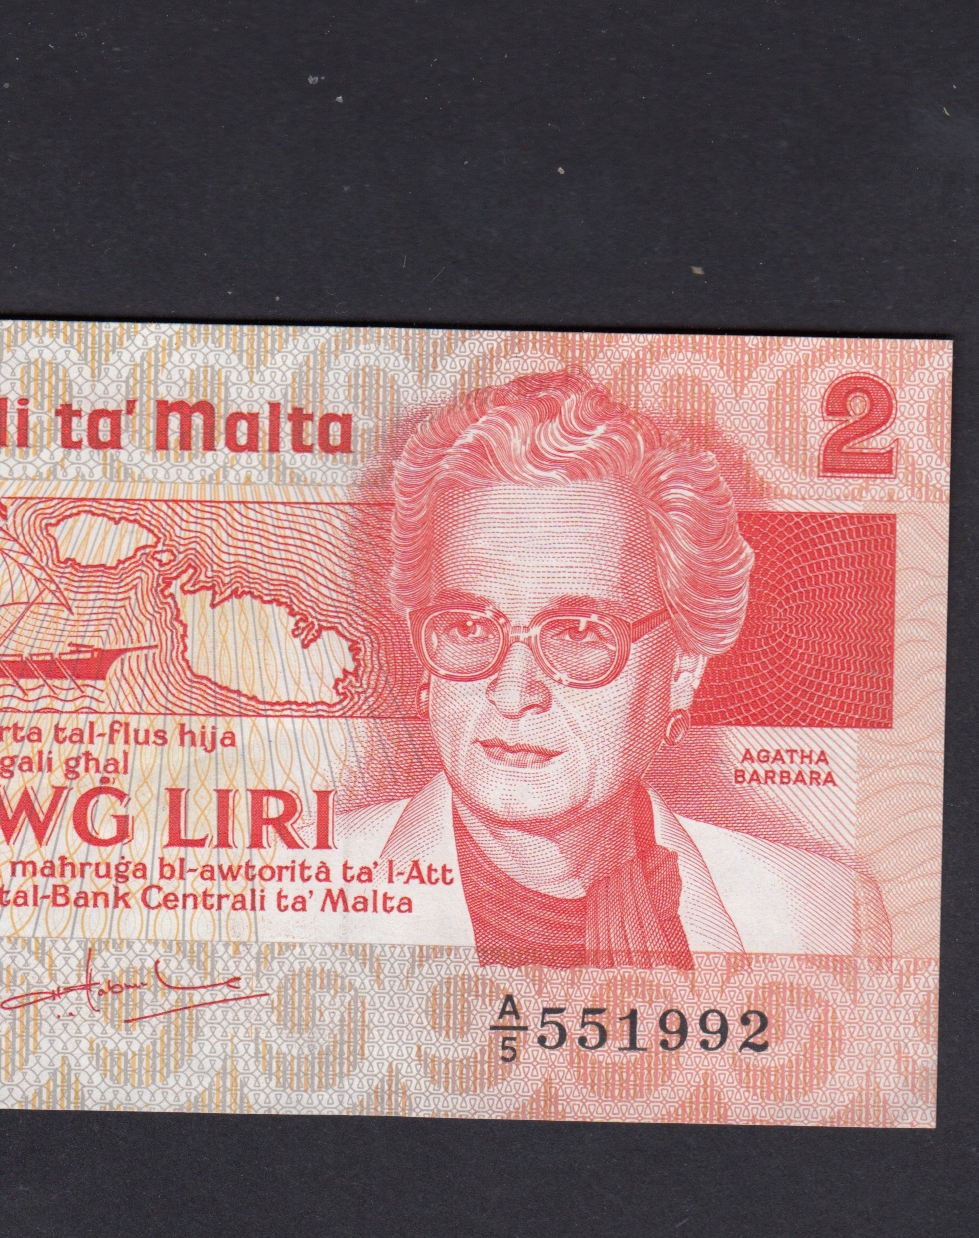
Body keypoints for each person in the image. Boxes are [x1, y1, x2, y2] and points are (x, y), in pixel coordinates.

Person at [338, 371, 888, 965]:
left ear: (681, 671)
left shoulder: (829, 915)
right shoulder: (292, 889)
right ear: (424, 660)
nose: (515, 693)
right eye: (468, 627)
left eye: (579, 633)